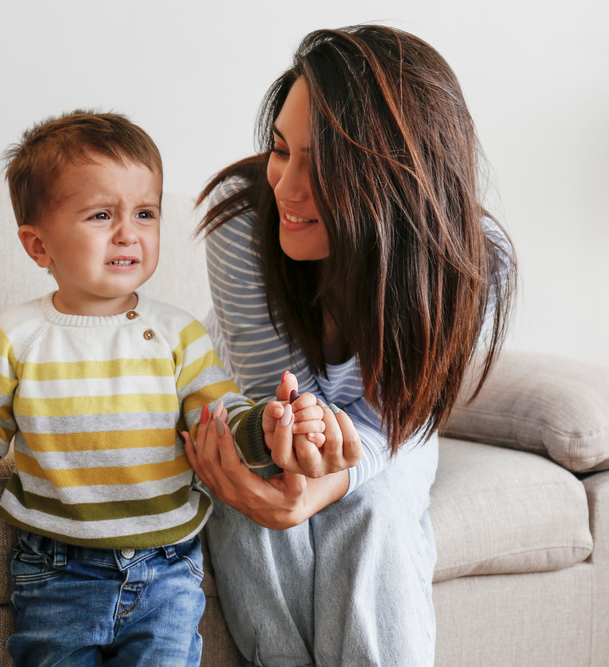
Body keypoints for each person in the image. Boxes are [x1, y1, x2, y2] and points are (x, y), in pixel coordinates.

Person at [0, 110, 326, 667]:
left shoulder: (179, 334)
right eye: (101, 214)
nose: (128, 232)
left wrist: (267, 425)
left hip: (166, 565)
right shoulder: (19, 334)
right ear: (39, 246)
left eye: (145, 212)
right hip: (57, 570)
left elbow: (220, 419)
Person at [183, 26, 517, 667]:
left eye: (324, 165)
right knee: (258, 496)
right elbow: (275, 412)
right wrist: (298, 490)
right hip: (257, 414)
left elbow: (394, 420)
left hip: (385, 427)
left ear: (394, 179)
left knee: (380, 509)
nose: (285, 186)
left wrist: (328, 489)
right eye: (281, 150)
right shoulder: (241, 218)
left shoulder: (475, 266)